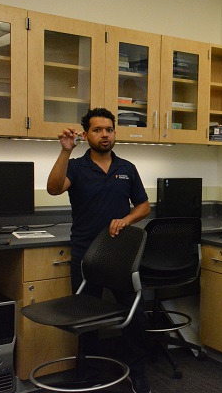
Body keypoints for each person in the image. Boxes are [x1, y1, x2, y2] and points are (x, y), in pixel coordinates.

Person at [47, 107, 152, 393]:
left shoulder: (126, 168)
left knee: (135, 312)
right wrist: (65, 151)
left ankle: (137, 371)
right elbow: (54, 189)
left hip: (120, 254)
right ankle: (90, 372)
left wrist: (127, 219)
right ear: (86, 134)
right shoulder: (77, 167)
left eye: (109, 129)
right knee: (85, 316)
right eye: (97, 130)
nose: (104, 134)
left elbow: (144, 206)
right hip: (85, 253)